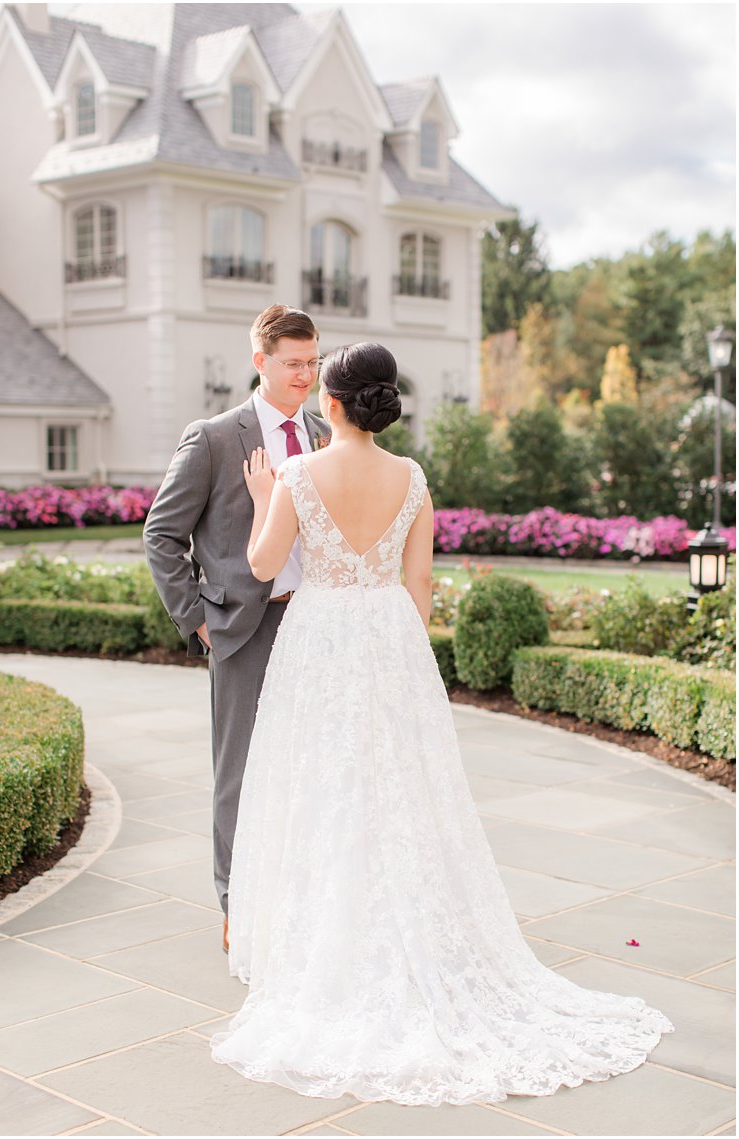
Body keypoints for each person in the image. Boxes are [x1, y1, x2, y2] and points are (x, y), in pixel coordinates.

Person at [210, 341, 672, 1103]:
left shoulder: (296, 473)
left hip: (320, 637)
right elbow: (419, 581)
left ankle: (328, 937)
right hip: (389, 633)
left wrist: (265, 502)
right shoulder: (412, 476)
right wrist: (399, 653)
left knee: (321, 783)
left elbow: (263, 568)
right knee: (400, 789)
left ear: (330, 403)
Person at [143, 304, 330, 950]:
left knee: (306, 765)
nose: (306, 375)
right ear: (261, 361)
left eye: (313, 362)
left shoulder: (325, 438)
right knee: (240, 772)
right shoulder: (216, 437)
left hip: (314, 625)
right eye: (293, 363)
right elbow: (161, 534)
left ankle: (296, 895)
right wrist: (197, 619)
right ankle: (236, 905)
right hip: (241, 629)